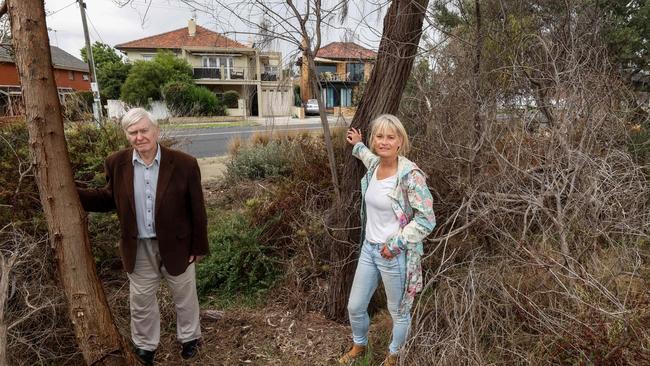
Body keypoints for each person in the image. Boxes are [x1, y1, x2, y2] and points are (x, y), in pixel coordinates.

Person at [78, 108, 208, 366]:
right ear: (127, 135)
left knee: (185, 296)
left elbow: (197, 209)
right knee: (141, 302)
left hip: (178, 244)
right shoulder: (116, 163)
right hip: (138, 246)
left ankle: (190, 339)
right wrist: (72, 192)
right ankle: (146, 347)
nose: (139, 137)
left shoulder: (184, 163)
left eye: (144, 130)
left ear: (156, 131)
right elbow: (109, 199)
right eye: (133, 132)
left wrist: (198, 246)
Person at [339, 114, 436, 366]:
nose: (384, 142)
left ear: (400, 142)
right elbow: (368, 156)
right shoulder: (374, 167)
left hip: (394, 254)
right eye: (379, 137)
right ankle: (359, 345)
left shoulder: (410, 176)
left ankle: (394, 355)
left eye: (390, 137)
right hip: (369, 251)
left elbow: (426, 219)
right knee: (355, 306)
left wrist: (395, 245)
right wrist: (358, 145)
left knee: (399, 312)